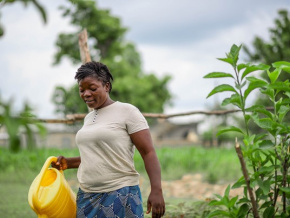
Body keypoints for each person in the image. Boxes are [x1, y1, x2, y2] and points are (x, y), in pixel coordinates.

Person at [52, 61, 165, 218]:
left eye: (92, 88)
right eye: (82, 90)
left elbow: (148, 152)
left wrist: (157, 190)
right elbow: (99, 156)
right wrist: (68, 163)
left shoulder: (128, 112)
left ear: (106, 86)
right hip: (87, 196)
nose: (86, 94)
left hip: (120, 193)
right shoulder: (89, 118)